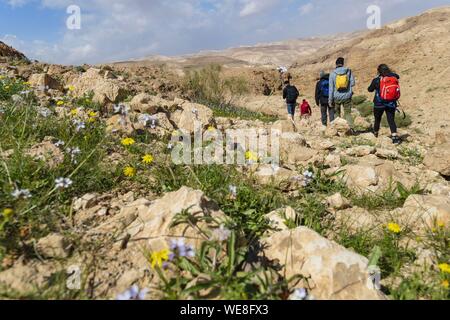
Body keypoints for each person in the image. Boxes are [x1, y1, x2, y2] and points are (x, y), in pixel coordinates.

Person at [368, 64, 401, 145]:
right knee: (391, 120)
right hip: (391, 102)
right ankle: (395, 137)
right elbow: (397, 77)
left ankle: (375, 134)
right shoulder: (394, 77)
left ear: (379, 71)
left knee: (377, 119)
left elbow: (370, 89)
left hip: (379, 103)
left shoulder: (377, 80)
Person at [329, 57, 356, 133]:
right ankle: (351, 129)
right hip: (347, 96)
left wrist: (330, 100)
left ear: (336, 64)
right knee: (347, 113)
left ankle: (338, 130)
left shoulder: (332, 73)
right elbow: (353, 83)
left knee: (337, 113)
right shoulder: (348, 71)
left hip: (336, 97)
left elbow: (331, 88)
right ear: (343, 63)